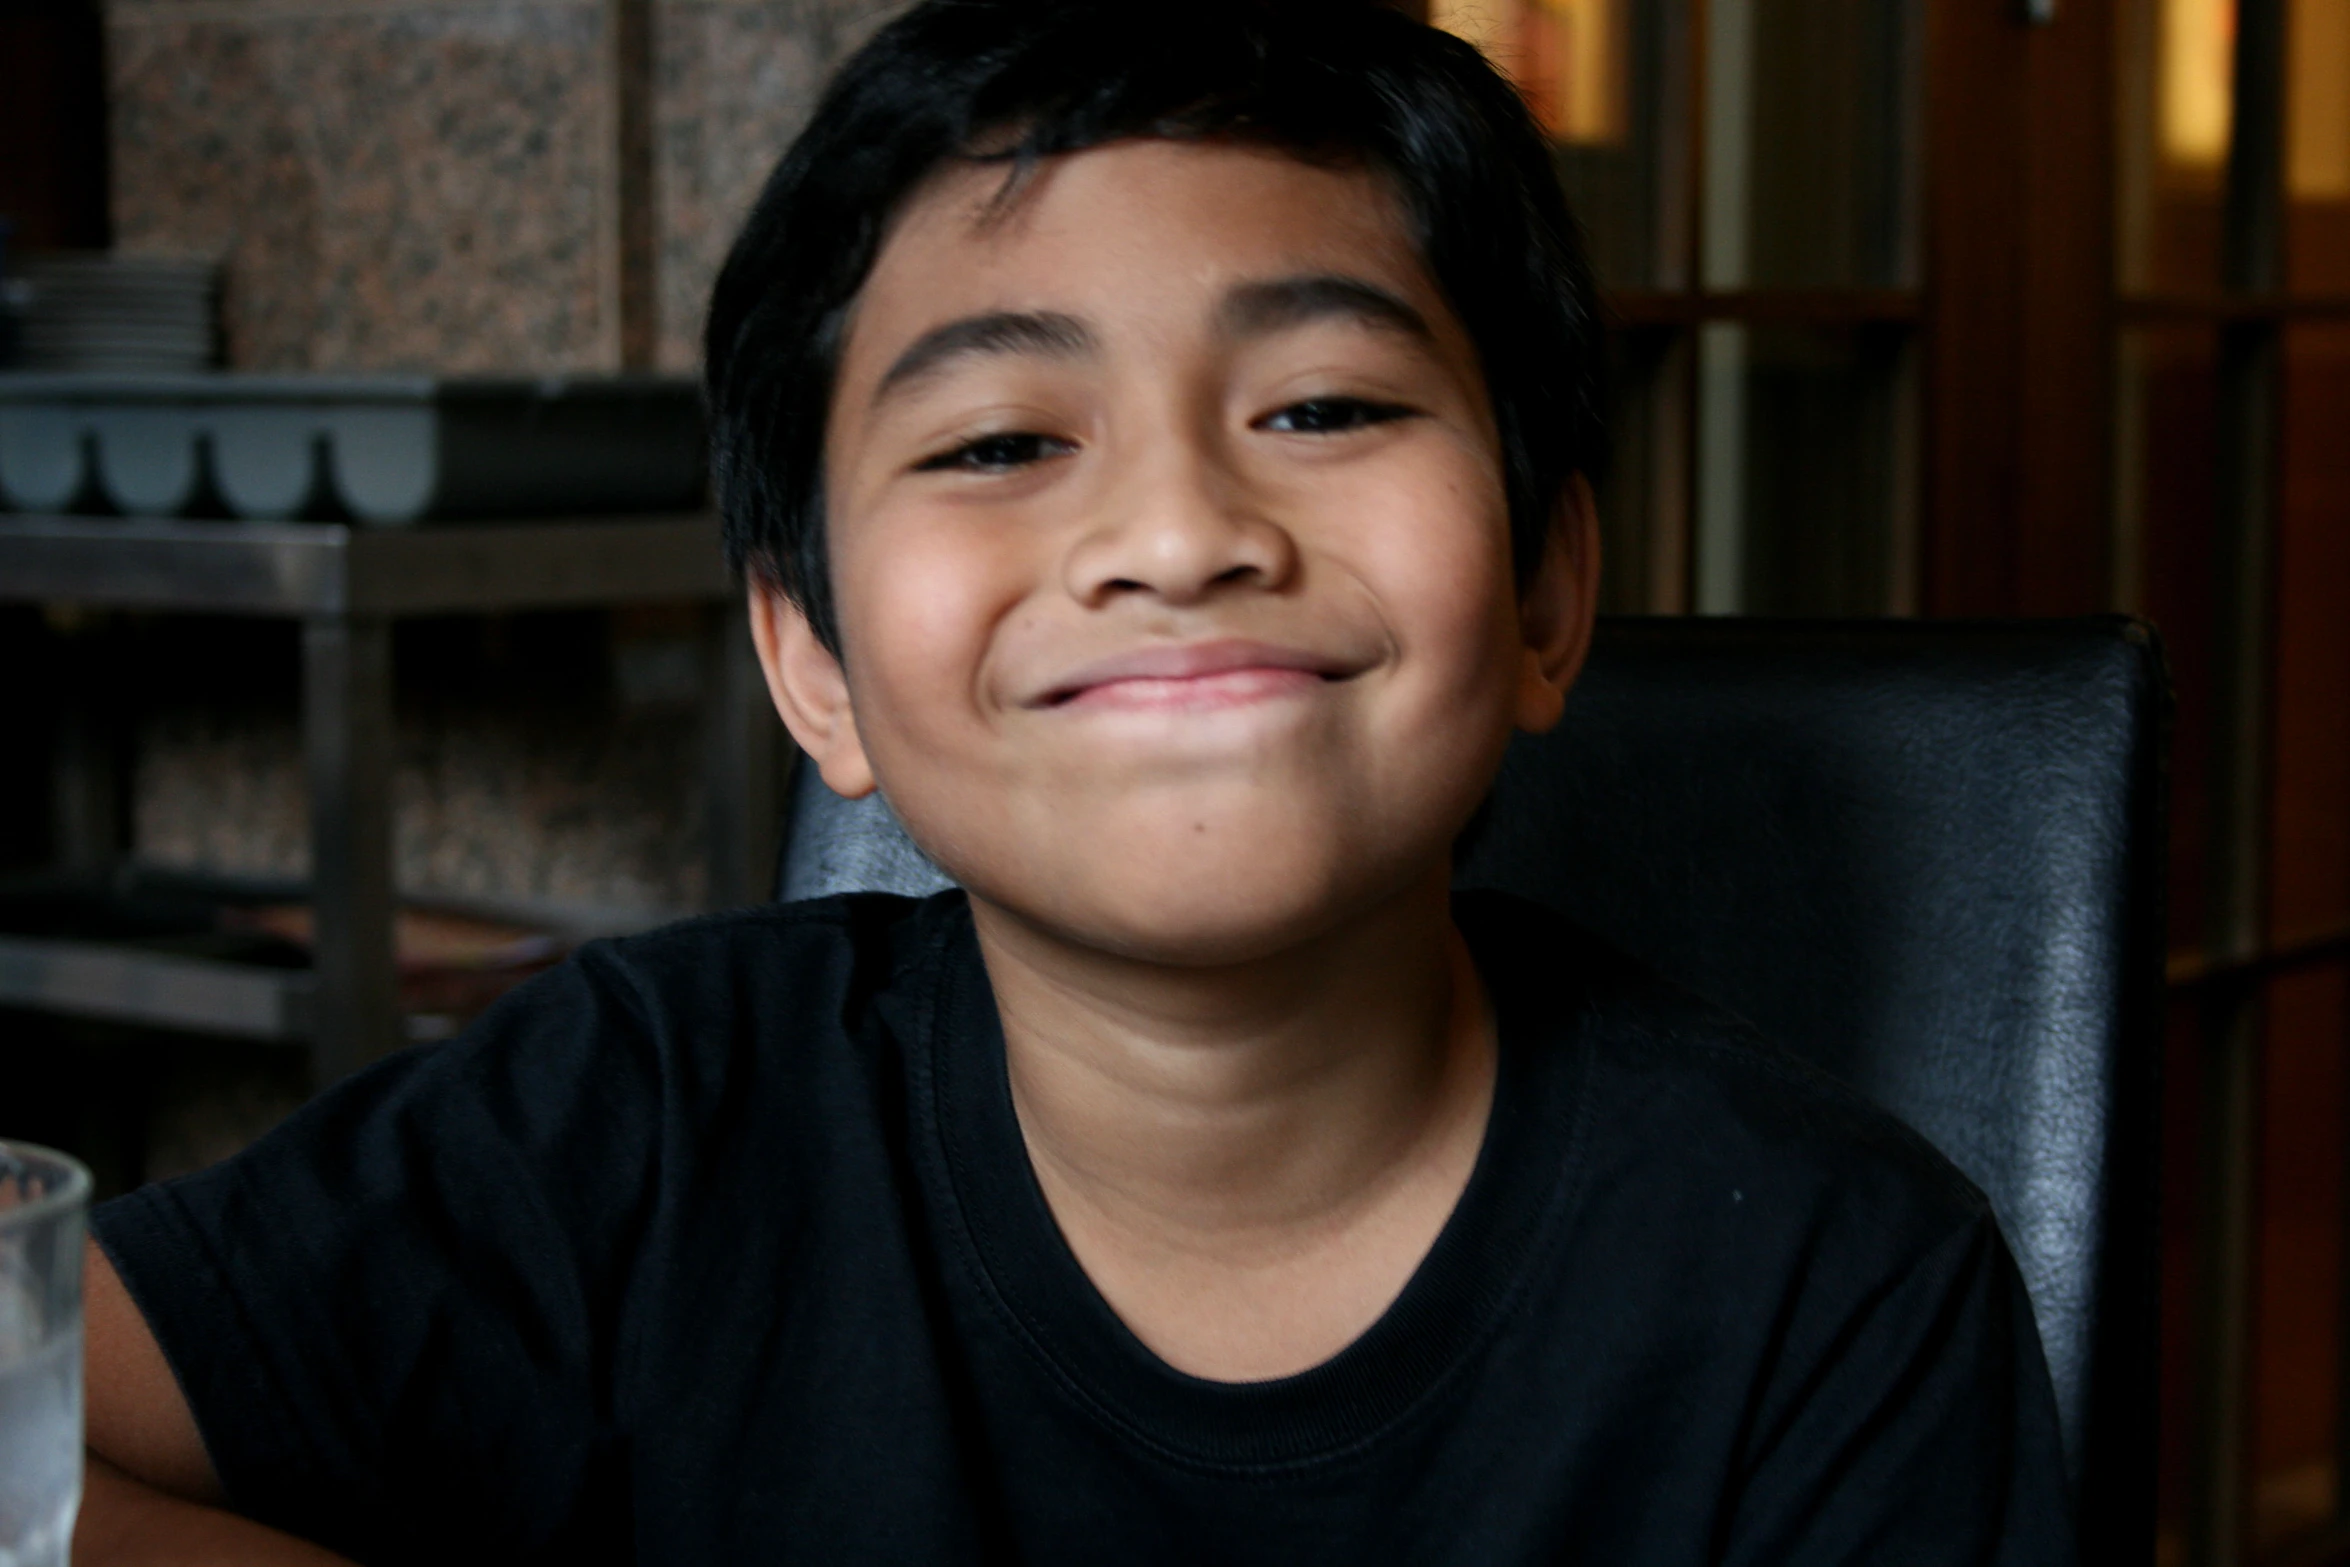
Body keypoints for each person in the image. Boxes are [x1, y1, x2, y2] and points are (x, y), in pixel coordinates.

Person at [73, 2, 2076, 1562]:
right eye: (998, 442)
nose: (1176, 530)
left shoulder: (1825, 1294)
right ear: (813, 662)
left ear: (1548, 590)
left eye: (1320, 405)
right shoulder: (636, 1122)